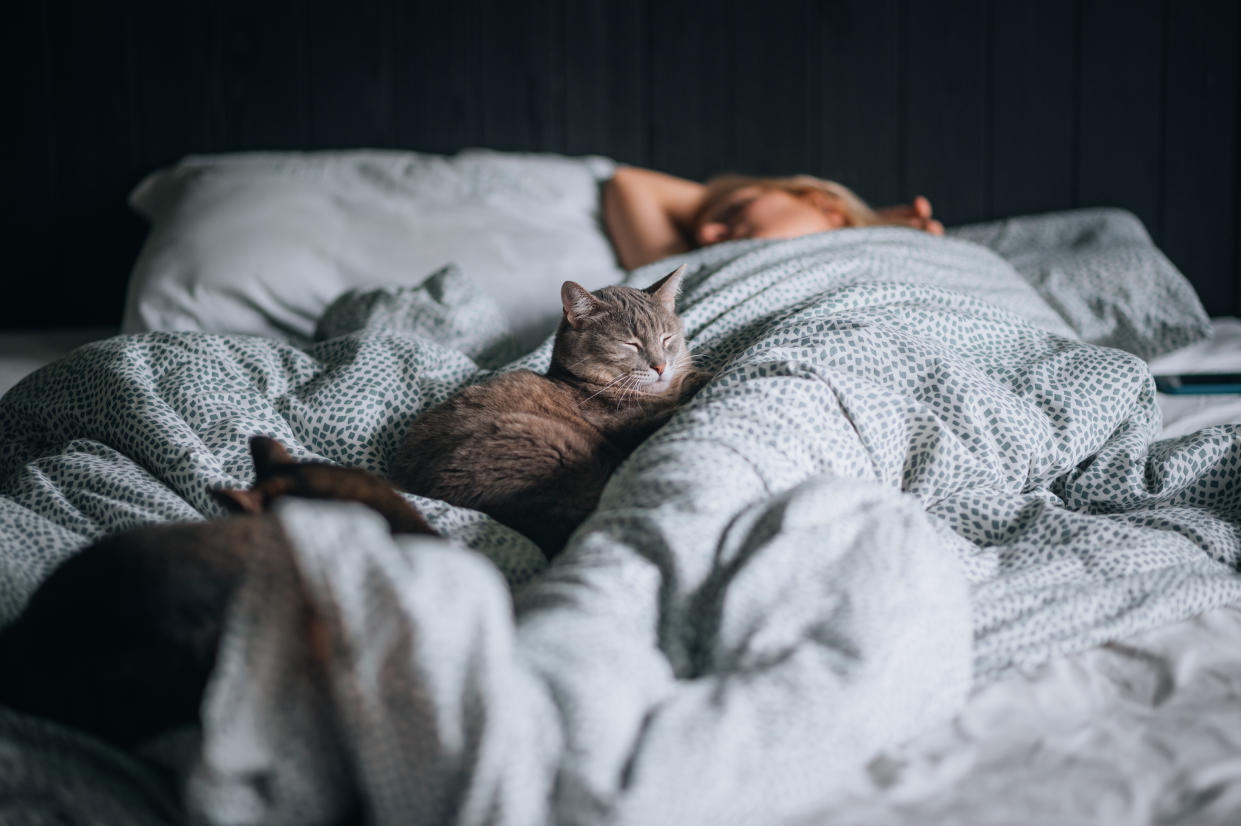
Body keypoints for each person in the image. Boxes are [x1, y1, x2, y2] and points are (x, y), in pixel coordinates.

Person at [603, 165, 944, 270]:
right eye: (698, 239)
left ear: (821, 204)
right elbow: (629, 184)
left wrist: (863, 223)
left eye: (735, 210)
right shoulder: (697, 274)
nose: (707, 234)